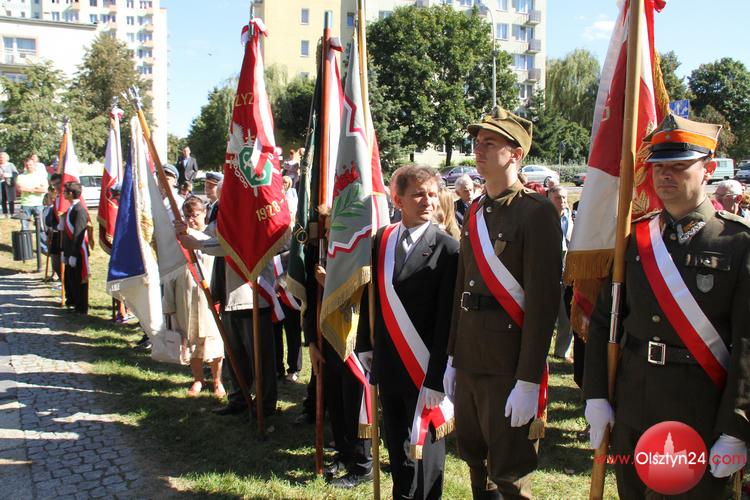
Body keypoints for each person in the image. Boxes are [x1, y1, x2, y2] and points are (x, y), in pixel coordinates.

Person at [584, 114, 750, 497]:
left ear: (708, 169)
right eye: (659, 167)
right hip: (634, 406)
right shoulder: (635, 238)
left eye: (679, 165)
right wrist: (596, 394)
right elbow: (604, 320)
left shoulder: (736, 243)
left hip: (698, 411)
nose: (665, 175)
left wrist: (736, 428)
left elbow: (747, 343)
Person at [444, 107, 562, 499]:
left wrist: (528, 379)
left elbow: (543, 305)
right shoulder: (476, 211)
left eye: (490, 143)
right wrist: (451, 356)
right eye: (477, 142)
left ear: (516, 153)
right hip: (470, 356)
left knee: (510, 471)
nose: (478, 150)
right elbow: (461, 289)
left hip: (508, 362)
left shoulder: (537, 213)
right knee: (474, 459)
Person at [357, 165, 459, 499]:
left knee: (427, 448)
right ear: (397, 200)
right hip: (389, 361)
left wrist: (437, 377)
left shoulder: (448, 249)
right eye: (418, 194)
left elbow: (446, 320)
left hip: (426, 368)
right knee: (398, 445)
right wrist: (365, 343)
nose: (428, 201)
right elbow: (371, 297)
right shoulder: (382, 240)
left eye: (432, 194)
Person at [176, 206, 278, 419]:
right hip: (228, 294)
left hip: (251, 293)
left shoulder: (253, 207)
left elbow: (235, 244)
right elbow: (211, 235)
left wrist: (197, 244)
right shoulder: (224, 207)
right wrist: (187, 231)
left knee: (259, 358)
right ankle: (239, 399)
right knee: (235, 355)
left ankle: (265, 406)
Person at [304, 204, 372, 487]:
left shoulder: (362, 257)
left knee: (356, 404)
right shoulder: (321, 257)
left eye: (336, 228)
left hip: (356, 343)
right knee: (336, 401)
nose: (330, 234)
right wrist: (311, 341)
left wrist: (329, 282)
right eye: (328, 229)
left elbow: (365, 301)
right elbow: (310, 303)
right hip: (328, 341)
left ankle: (362, 464)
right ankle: (344, 454)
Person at [164, 197, 226, 397]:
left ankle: (217, 380)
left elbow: (211, 252)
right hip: (185, 296)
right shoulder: (179, 241)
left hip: (209, 298)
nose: (191, 220)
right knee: (191, 339)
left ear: (204, 213)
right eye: (187, 216)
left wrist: (189, 234)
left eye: (195, 215)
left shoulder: (211, 235)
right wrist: (169, 303)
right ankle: (198, 379)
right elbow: (170, 273)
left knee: (214, 340)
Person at [548, 186, 575, 361]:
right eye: (558, 198)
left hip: (567, 274)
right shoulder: (543, 218)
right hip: (548, 273)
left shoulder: (571, 219)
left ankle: (562, 352)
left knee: (567, 316)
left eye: (564, 197)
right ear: (549, 199)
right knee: (546, 315)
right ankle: (540, 349)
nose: (562, 201)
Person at [60, 181, 90, 314]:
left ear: (71, 193)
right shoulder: (71, 208)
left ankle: (81, 307)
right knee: (71, 279)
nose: (63, 194)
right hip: (69, 250)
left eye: (65, 192)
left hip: (78, 251)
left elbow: (78, 233)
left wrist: (73, 254)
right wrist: (64, 251)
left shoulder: (80, 210)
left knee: (79, 280)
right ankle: (73, 302)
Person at [16, 157, 48, 230]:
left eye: (30, 165)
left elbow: (44, 189)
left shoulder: (41, 176)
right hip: (25, 204)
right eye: (27, 165)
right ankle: (26, 238)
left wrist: (28, 189)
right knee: (24, 228)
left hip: (39, 204)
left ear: (34, 165)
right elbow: (20, 189)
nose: (28, 166)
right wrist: (36, 188)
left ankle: (41, 238)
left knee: (41, 228)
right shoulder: (21, 176)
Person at [0, 152, 18, 217]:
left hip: (9, 183)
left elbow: (15, 173)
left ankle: (12, 213)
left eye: (2, 157)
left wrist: (8, 175)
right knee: (2, 199)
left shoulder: (11, 165)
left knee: (11, 199)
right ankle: (5, 214)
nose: (1, 159)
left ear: (6, 158)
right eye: (0, 157)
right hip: (1, 183)